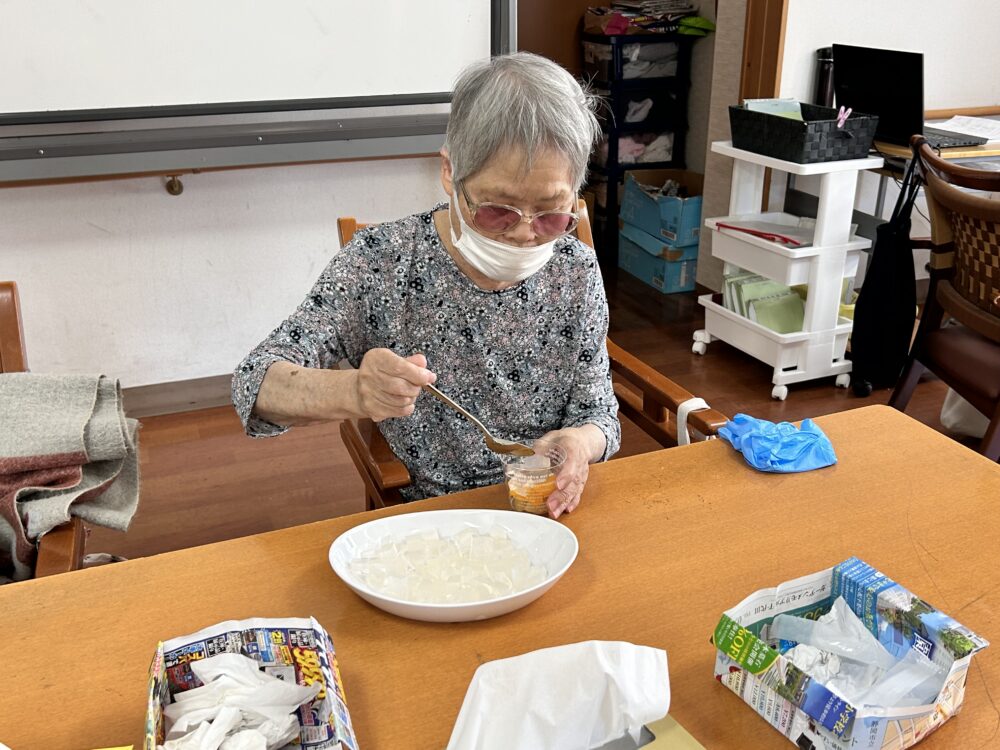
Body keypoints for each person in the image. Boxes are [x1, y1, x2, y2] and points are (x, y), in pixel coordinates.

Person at [232, 52, 620, 519]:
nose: (523, 232)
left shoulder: (574, 268)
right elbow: (255, 385)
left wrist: (581, 442)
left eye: (553, 213)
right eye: (499, 209)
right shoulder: (381, 261)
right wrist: (355, 391)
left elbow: (599, 411)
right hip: (439, 515)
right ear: (450, 173)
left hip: (551, 504)